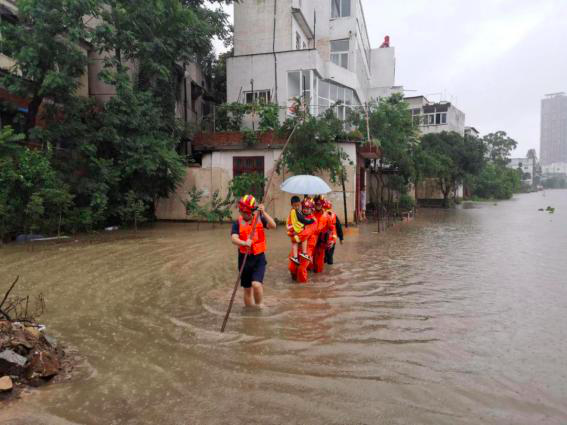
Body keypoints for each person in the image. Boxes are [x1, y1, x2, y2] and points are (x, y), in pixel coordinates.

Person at [230, 195, 276, 306]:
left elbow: (273, 226)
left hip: (258, 257)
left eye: (245, 212)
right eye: (241, 212)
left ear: (251, 211)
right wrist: (244, 243)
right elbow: (234, 239)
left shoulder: (259, 219)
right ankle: (250, 312)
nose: (243, 214)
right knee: (247, 289)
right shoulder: (237, 223)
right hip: (244, 259)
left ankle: (259, 306)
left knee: (256, 284)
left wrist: (264, 212)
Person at [288, 198, 317, 283]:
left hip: (307, 247)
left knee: (301, 269)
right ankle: (294, 283)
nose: (305, 209)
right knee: (291, 267)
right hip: (297, 246)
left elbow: (307, 233)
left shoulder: (313, 220)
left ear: (311, 209)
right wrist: (291, 233)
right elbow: (290, 227)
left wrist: (295, 237)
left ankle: (303, 290)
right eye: (304, 207)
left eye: (308, 208)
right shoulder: (297, 215)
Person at [287, 195, 315, 265]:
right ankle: (304, 253)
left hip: (292, 232)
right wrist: (311, 221)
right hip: (296, 232)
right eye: (295, 206)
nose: (297, 207)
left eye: (298, 205)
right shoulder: (296, 212)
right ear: (292, 205)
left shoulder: (292, 212)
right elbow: (303, 220)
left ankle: (295, 257)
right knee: (304, 238)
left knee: (294, 243)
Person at [311, 195, 331, 274]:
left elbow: (330, 229)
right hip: (312, 241)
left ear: (322, 205)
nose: (318, 206)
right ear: (314, 205)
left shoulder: (327, 216)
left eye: (319, 204)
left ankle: (318, 276)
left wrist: (329, 241)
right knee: (311, 260)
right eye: (316, 204)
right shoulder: (311, 215)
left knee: (319, 261)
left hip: (322, 241)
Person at [324, 200, 344, 265]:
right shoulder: (332, 216)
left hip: (330, 239)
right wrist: (341, 238)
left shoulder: (333, 216)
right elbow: (339, 227)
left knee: (327, 257)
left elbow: (339, 227)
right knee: (326, 257)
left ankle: (327, 269)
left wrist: (341, 238)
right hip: (327, 239)